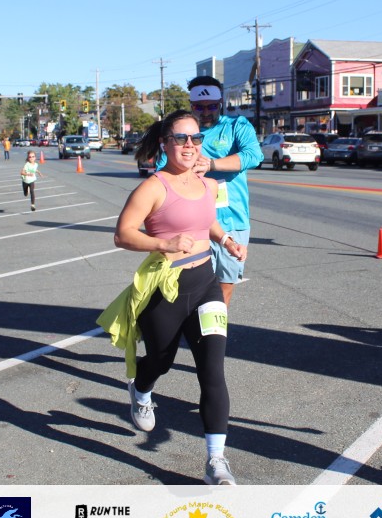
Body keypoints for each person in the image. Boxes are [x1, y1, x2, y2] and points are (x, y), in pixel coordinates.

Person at [98, 110, 246, 485]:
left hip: (206, 284)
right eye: (181, 138)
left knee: (212, 371)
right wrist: (164, 244)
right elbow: (122, 234)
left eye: (196, 138)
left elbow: (207, 222)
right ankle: (140, 390)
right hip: (166, 288)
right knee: (159, 362)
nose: (190, 145)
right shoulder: (153, 187)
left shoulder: (207, 184)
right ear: (165, 143)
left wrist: (226, 240)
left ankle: (216, 461)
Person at [185, 75, 262, 307]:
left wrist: (212, 165)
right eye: (199, 107)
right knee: (194, 288)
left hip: (233, 220)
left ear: (221, 103)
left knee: (224, 287)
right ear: (191, 105)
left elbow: (253, 155)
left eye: (211, 106)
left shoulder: (237, 125)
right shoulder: (183, 133)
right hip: (194, 222)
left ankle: (215, 328)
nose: (206, 112)